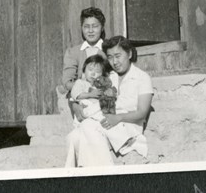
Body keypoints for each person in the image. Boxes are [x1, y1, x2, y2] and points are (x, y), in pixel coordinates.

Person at [65, 35, 153, 167]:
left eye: (118, 56)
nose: (114, 62)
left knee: (87, 127)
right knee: (73, 137)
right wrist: (76, 107)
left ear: (129, 54)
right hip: (103, 121)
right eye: (110, 57)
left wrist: (117, 118)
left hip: (125, 125)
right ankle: (72, 176)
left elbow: (142, 112)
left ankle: (103, 175)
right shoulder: (109, 76)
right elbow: (84, 91)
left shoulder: (142, 78)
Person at [69, 54, 136, 154]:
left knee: (107, 122)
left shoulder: (100, 85)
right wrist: (90, 94)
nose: (93, 74)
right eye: (90, 70)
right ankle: (122, 140)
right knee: (105, 120)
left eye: (97, 72)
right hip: (86, 109)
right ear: (84, 71)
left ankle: (122, 142)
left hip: (96, 111)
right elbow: (75, 95)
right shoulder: (80, 82)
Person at [61, 7, 107, 94]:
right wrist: (87, 90)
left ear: (102, 28)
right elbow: (67, 82)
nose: (90, 31)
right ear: (82, 28)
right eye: (86, 27)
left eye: (95, 26)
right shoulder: (73, 52)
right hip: (79, 98)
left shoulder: (108, 50)